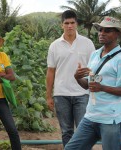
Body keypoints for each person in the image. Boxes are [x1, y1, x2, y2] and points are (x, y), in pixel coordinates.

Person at [65, 16, 121, 150]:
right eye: (100, 30)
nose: (102, 33)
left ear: (117, 34)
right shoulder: (95, 54)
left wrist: (102, 87)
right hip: (91, 116)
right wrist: (77, 77)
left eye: (107, 30)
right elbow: (88, 85)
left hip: (111, 119)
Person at [46, 10, 95, 147]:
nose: (69, 26)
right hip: (61, 94)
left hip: (82, 93)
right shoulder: (54, 45)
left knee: (83, 130)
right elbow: (51, 71)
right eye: (66, 23)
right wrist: (48, 96)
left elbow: (94, 69)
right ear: (62, 25)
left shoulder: (87, 43)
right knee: (66, 131)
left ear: (77, 24)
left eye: (72, 23)